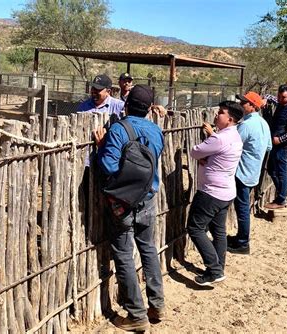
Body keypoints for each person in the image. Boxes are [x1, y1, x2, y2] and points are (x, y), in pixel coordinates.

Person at [93, 85, 165, 332]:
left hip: (124, 204)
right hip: (148, 199)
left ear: (125, 105)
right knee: (148, 249)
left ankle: (136, 314)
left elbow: (109, 167)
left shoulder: (118, 130)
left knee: (123, 254)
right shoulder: (156, 130)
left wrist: (102, 146)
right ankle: (156, 305)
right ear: (149, 108)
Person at [187, 101, 244, 286]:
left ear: (230, 119)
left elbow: (195, 151)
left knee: (195, 228)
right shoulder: (234, 136)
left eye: (220, 113)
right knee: (218, 231)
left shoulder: (219, 139)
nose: (216, 115)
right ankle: (219, 266)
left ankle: (214, 269)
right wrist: (210, 157)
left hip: (211, 192)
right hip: (226, 191)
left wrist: (206, 155)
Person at [227, 91, 272, 254]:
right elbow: (268, 147)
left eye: (244, 102)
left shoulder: (246, 125)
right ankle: (240, 237)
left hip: (242, 171)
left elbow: (230, 143)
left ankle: (243, 243)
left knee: (242, 208)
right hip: (253, 171)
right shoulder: (263, 123)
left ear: (252, 106)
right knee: (243, 206)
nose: (241, 104)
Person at [264, 84, 287, 209]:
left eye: (283, 97)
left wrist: (280, 139)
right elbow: (269, 97)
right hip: (276, 144)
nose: (280, 99)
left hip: (284, 146)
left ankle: (281, 199)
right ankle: (282, 195)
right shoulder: (281, 102)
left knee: (281, 172)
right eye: (279, 96)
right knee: (272, 170)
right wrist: (265, 99)